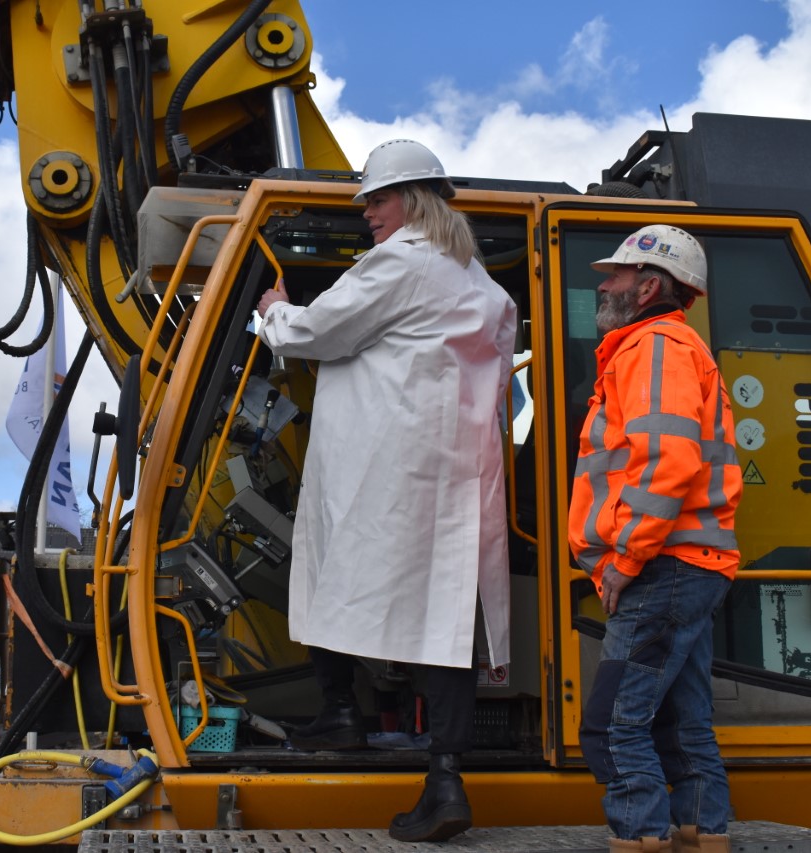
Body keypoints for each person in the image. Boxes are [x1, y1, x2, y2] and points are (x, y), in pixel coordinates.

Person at [257, 139, 517, 842]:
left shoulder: (399, 263)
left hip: (383, 468)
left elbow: (317, 331)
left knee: (328, 568)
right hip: (458, 479)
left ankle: (342, 712)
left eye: (377, 198)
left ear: (416, 199)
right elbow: (503, 395)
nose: (368, 212)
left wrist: (274, 310)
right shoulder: (488, 290)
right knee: (444, 624)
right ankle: (444, 775)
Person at [569, 225, 742, 853]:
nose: (602, 284)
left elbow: (665, 458)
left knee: (611, 728)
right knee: (682, 721)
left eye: (614, 275)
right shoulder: (669, 346)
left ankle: (640, 838)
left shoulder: (653, 347)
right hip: (691, 563)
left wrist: (626, 556)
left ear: (647, 287)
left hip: (662, 565)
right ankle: (703, 834)